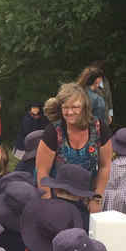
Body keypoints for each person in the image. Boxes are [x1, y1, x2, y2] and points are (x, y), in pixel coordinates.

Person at [36, 82, 112, 214]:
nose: (70, 112)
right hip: (55, 196)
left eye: (75, 107)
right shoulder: (53, 132)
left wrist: (97, 199)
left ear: (84, 107)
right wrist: (48, 205)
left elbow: (105, 165)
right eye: (65, 107)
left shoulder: (100, 128)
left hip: (86, 195)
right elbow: (42, 171)